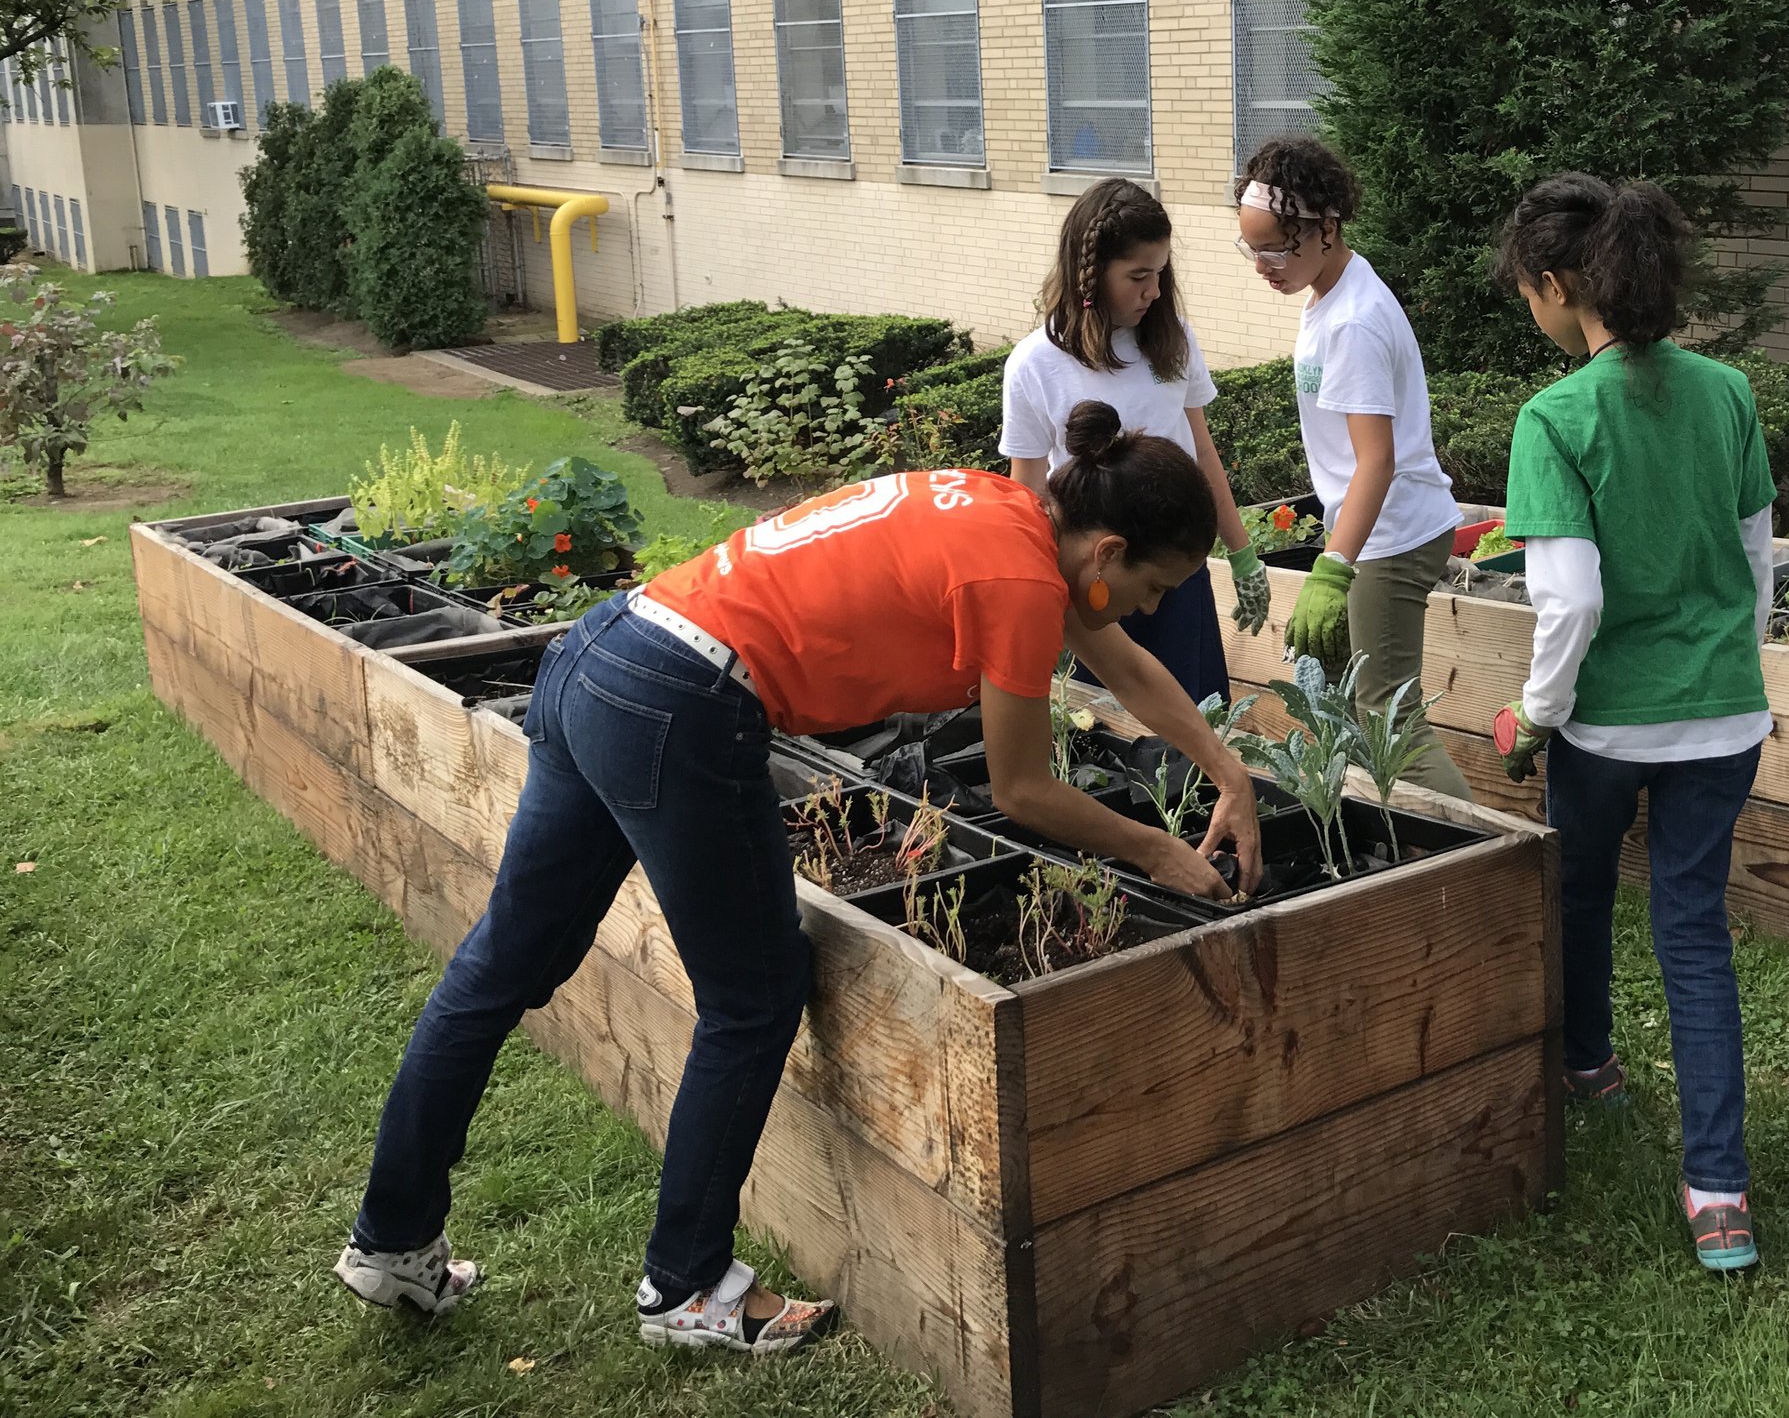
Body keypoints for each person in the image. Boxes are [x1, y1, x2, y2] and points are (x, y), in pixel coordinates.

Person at [332, 406, 1264, 1347]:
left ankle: (390, 1238)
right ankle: (687, 1286)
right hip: (686, 700)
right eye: (1153, 584)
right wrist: (1154, 848)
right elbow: (1023, 788)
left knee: (501, 966)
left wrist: (1228, 771)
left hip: (604, 652)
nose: (1147, 607)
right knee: (756, 993)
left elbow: (1127, 666)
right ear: (1106, 551)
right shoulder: (1019, 577)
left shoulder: (1007, 513)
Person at [1487, 174, 1776, 1274]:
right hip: (1723, 717)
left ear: (1561, 286)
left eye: (1527, 289)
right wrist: (1725, 669)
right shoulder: (1727, 392)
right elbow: (1756, 563)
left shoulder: (1554, 418)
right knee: (1693, 935)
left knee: (1581, 893)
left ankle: (1589, 1065)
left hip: (1604, 727)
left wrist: (1535, 713)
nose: (1529, 304)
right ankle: (1718, 1195)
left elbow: (1569, 602)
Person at [1231, 136, 1472, 804]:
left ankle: (1489, 858)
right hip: (1368, 532)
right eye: (1252, 248)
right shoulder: (1328, 295)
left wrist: (1335, 567)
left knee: (1391, 721)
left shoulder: (1355, 322)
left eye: (1276, 248)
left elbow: (1378, 460)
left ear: (1327, 228)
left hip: (1389, 536)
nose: (1263, 265)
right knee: (1345, 709)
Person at [1002, 178, 1267, 707]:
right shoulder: (1035, 364)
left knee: (1194, 725)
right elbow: (1027, 498)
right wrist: (1034, 602)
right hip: (1097, 588)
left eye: (1161, 275)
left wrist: (1243, 554)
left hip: (1175, 573)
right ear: (1090, 275)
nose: (1153, 292)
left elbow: (1201, 453)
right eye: (1138, 276)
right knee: (1110, 735)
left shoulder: (1174, 341)